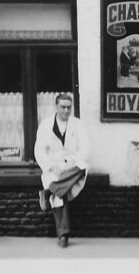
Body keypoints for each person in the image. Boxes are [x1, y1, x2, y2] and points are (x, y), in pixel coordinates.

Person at [34, 93, 90, 248]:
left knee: (83, 167)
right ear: (56, 107)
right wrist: (52, 166)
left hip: (72, 166)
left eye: (69, 107)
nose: (66, 111)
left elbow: (86, 149)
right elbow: (39, 151)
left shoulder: (77, 124)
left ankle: (49, 192)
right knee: (60, 194)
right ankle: (63, 235)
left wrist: (71, 160)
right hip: (54, 167)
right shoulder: (46, 125)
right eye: (63, 107)